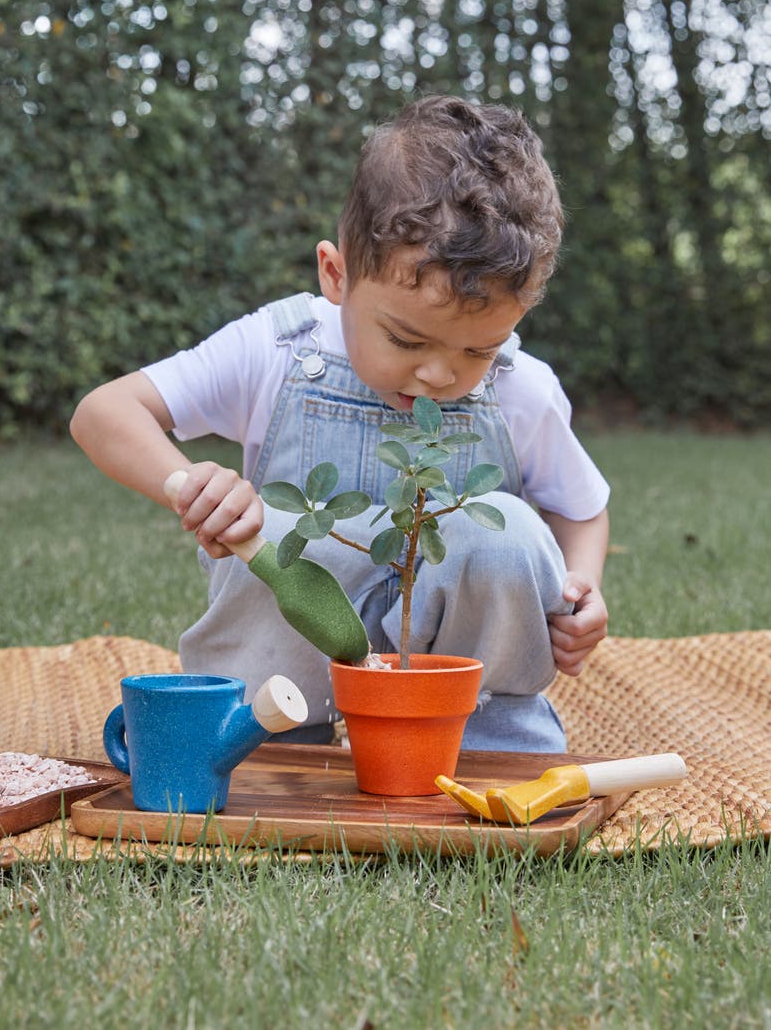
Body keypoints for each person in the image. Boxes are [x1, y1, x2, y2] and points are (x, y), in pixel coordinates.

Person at [71, 95, 609, 752]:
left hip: (465, 701)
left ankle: (487, 734)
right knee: (268, 525)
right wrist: (190, 483)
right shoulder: (277, 348)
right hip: (277, 696)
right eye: (407, 340)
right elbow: (102, 414)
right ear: (337, 273)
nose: (441, 375)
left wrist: (583, 588)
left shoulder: (521, 388)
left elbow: (580, 507)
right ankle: (262, 730)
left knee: (511, 537)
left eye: (477, 350)